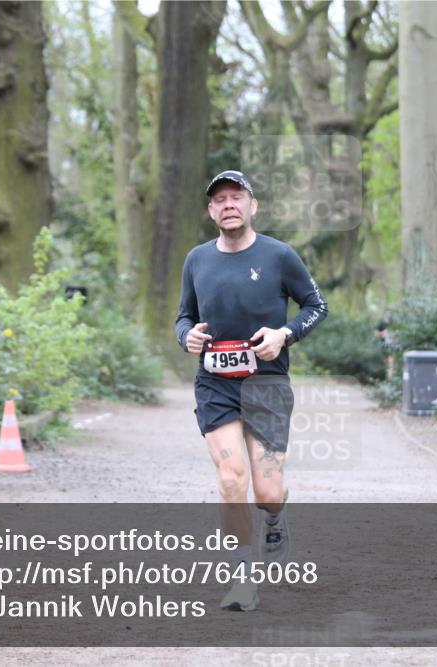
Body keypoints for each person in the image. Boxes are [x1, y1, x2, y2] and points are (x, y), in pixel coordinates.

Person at [175, 170, 328, 611]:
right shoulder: (197, 260)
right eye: (219, 200)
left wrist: (286, 335)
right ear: (211, 211)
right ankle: (243, 578)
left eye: (236, 197)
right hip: (215, 384)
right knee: (230, 478)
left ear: (252, 205)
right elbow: (183, 317)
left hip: (267, 385)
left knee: (267, 492)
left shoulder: (279, 256)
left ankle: (276, 519)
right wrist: (186, 337)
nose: (228, 205)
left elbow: (317, 306)